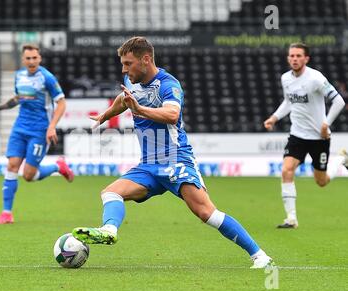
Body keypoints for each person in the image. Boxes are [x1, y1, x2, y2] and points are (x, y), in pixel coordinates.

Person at [71, 37, 273, 269]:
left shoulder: (169, 85)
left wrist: (140, 109)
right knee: (110, 193)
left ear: (146, 59)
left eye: (128, 63)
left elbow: (172, 115)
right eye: (123, 64)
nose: (124, 69)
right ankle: (108, 230)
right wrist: (104, 116)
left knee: (206, 213)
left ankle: (260, 256)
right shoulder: (131, 80)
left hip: (175, 161)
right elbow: (123, 100)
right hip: (148, 165)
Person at [0, 44, 74, 225]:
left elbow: (61, 103)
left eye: (34, 58)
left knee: (28, 176)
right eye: (28, 58)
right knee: (12, 166)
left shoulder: (47, 78)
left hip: (39, 130)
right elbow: (17, 99)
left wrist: (52, 126)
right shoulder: (19, 76)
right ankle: (6, 213)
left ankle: (57, 166)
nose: (31, 61)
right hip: (20, 127)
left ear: (40, 59)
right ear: (23, 60)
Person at [264, 43, 347, 229]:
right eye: (291, 55)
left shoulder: (315, 78)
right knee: (286, 170)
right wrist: (274, 118)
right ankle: (291, 219)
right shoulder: (285, 78)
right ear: (288, 58)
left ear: (306, 59)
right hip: (297, 135)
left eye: (298, 56)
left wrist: (326, 123)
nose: (294, 58)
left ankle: (341, 158)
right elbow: (288, 101)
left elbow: (339, 101)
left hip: (319, 137)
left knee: (321, 181)